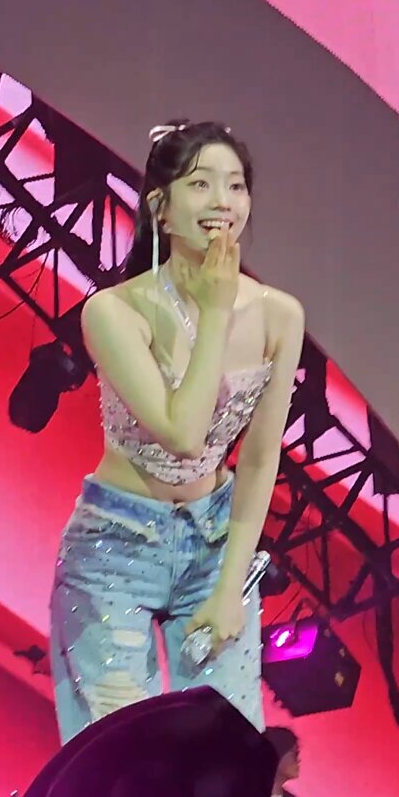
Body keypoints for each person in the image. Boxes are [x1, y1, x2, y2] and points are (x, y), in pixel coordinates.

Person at [49, 120, 303, 742]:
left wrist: (231, 587)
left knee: (225, 754)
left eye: (236, 186)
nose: (223, 201)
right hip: (115, 545)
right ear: (160, 207)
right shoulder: (114, 311)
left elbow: (260, 458)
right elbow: (184, 435)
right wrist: (215, 312)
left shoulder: (280, 314)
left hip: (216, 541)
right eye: (201, 184)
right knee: (118, 758)